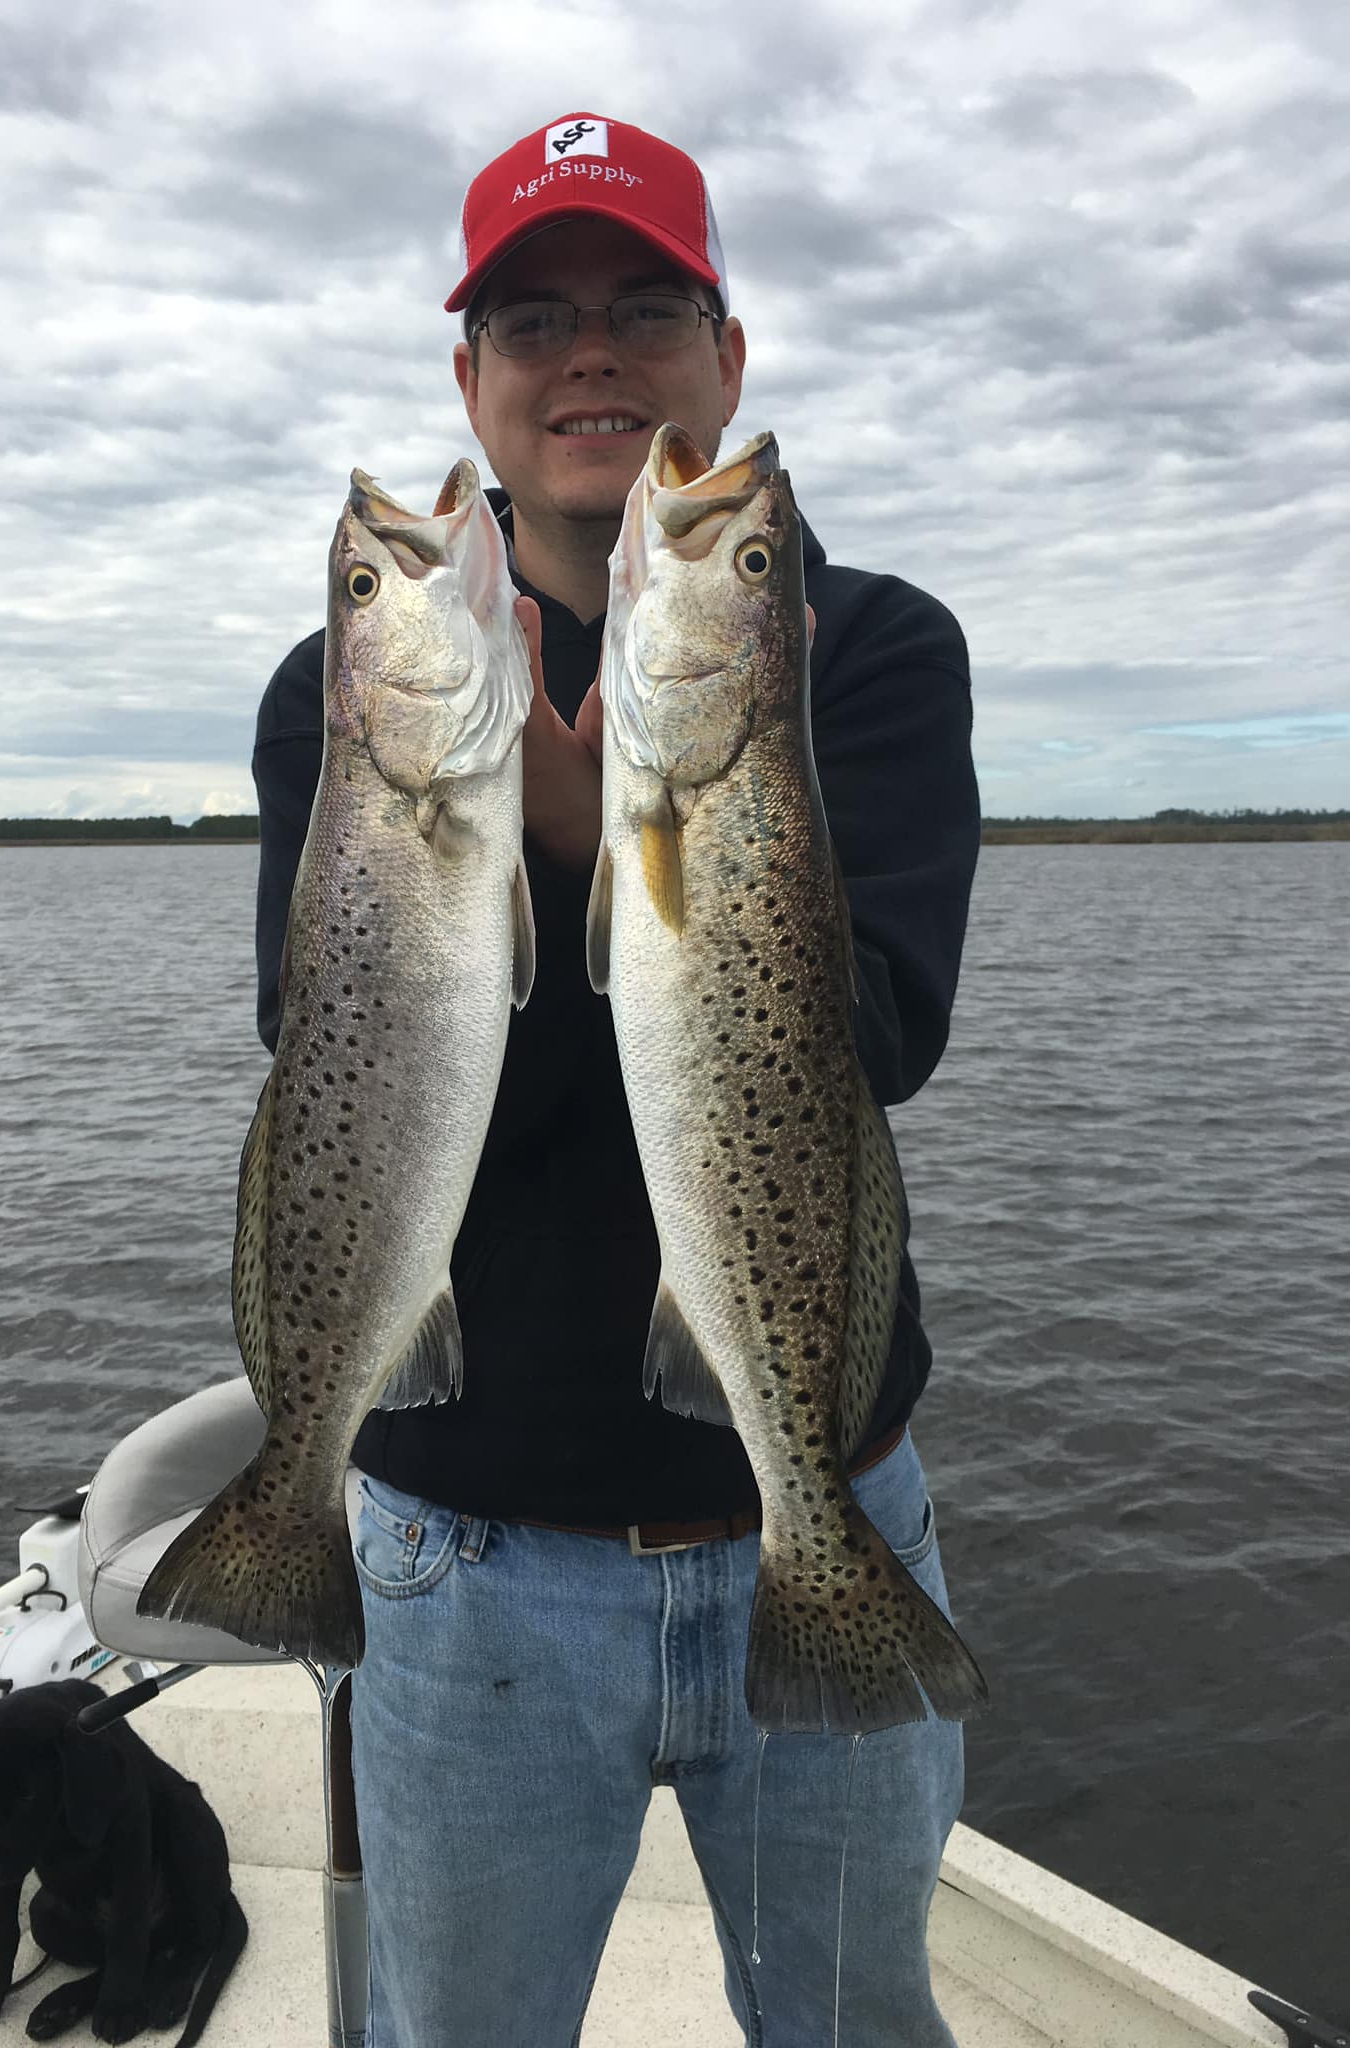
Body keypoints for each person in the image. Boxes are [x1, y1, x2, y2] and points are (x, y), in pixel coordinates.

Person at [252, 111, 981, 2048]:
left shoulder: (871, 652)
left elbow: (883, 1030)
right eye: (533, 321)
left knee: (853, 2018)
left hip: (814, 1490)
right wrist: (480, 804)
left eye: (648, 308)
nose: (591, 354)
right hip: (468, 1550)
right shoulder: (341, 697)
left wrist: (620, 814)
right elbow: (324, 1066)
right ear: (473, 388)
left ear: (724, 360)